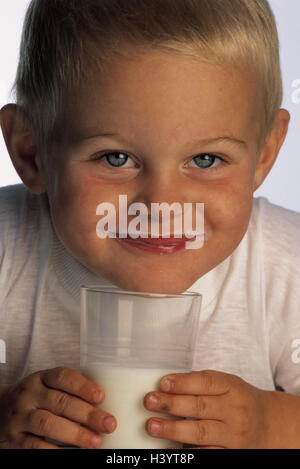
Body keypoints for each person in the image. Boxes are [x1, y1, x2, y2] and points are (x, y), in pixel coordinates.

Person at [0, 0, 299, 449]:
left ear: (263, 154)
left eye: (206, 159)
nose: (162, 204)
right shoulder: (7, 245)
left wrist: (268, 425)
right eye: (116, 158)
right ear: (31, 151)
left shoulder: (284, 263)